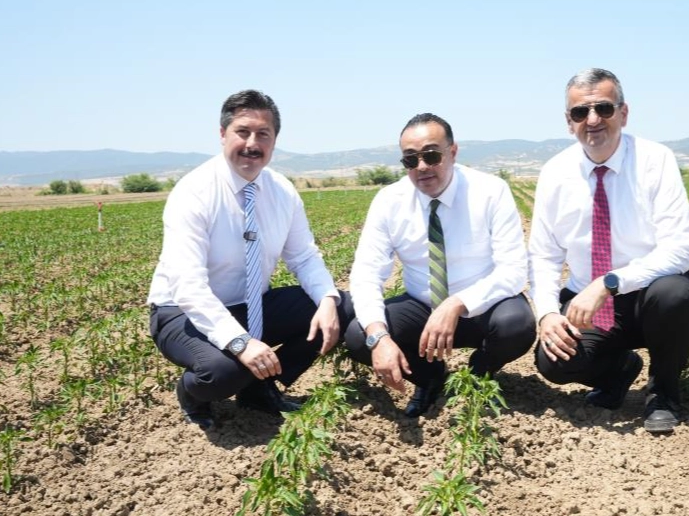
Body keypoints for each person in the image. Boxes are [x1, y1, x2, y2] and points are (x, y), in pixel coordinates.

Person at [148, 89, 353, 430]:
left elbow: (304, 256)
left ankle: (259, 389)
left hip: (250, 305)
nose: (252, 144)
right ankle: (191, 391)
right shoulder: (194, 192)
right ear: (222, 134)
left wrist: (328, 301)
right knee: (224, 371)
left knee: (342, 308)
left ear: (275, 140)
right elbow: (187, 286)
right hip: (181, 312)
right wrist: (240, 343)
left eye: (263, 134)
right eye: (242, 132)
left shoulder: (282, 191)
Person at [528, 68, 689, 433]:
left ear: (624, 113)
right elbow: (544, 256)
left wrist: (608, 283)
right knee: (554, 360)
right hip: (592, 305)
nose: (592, 120)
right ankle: (618, 370)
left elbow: (679, 250)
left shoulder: (655, 160)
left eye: (604, 109)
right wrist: (546, 314)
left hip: (650, 295)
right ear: (569, 122)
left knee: (675, 294)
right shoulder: (555, 173)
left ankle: (663, 393)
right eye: (581, 112)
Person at [345, 113, 536, 417]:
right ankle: (430, 378)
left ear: (453, 152)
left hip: (482, 305)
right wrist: (379, 337)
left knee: (517, 325)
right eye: (410, 159)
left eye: (431, 155)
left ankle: (476, 374)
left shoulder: (490, 191)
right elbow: (366, 274)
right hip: (423, 306)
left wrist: (456, 304)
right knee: (360, 336)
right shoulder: (389, 201)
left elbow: (512, 270)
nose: (422, 166)